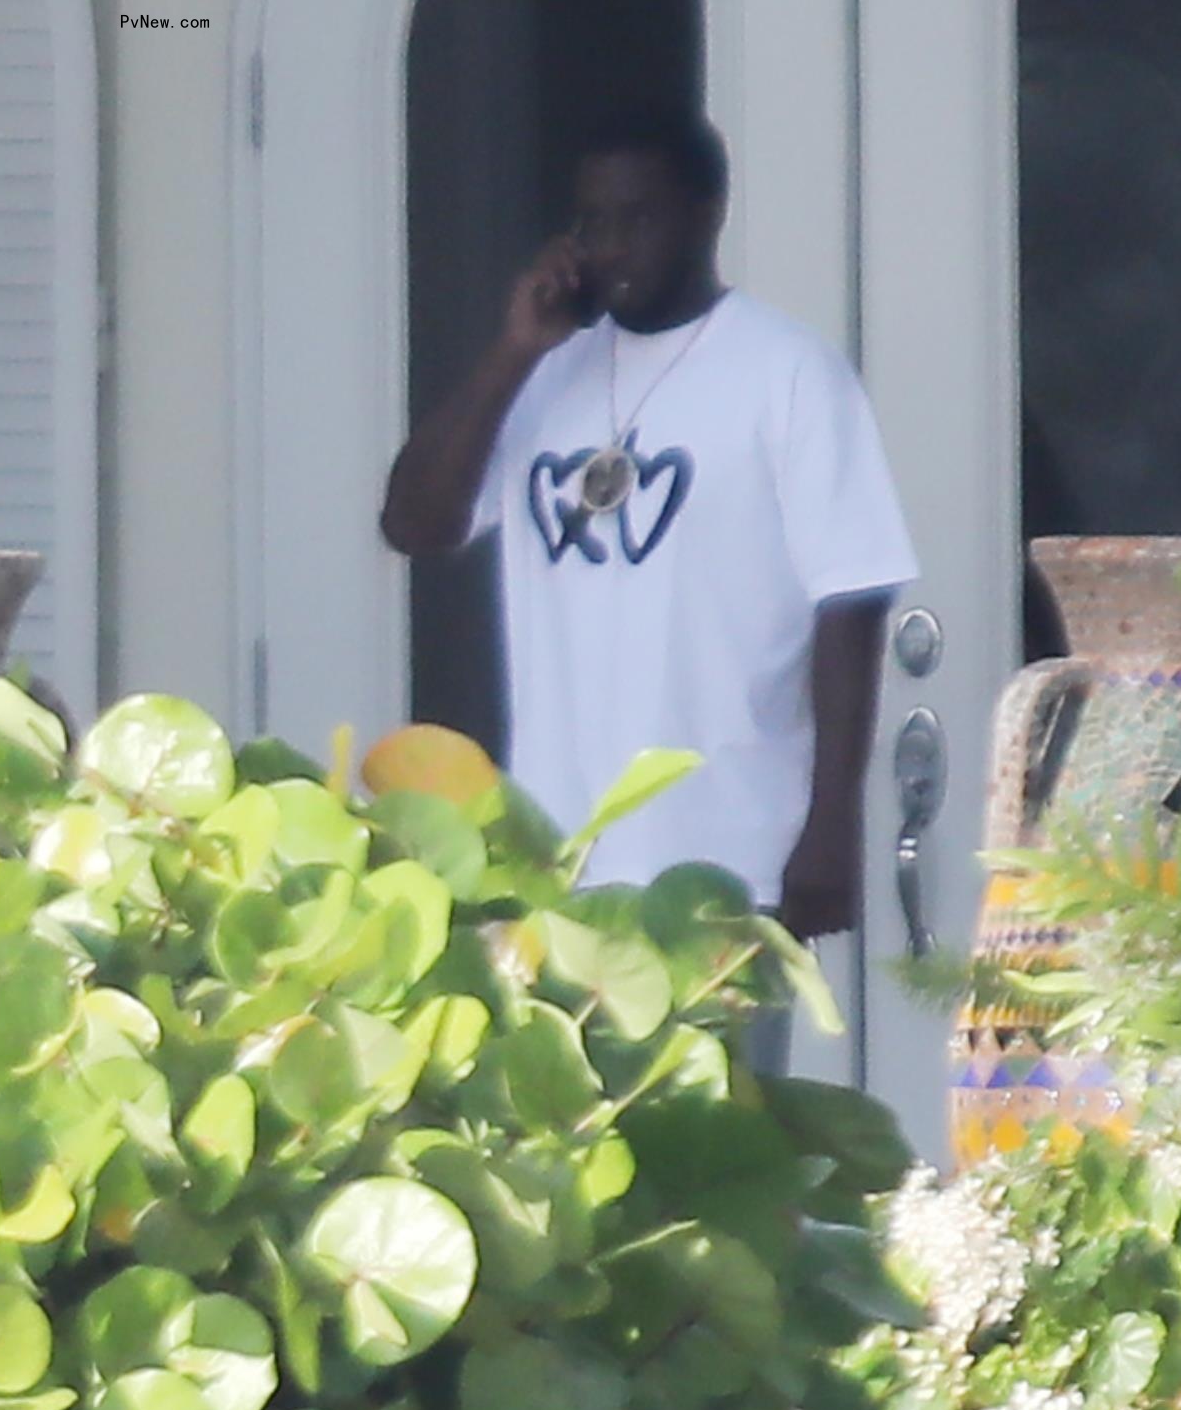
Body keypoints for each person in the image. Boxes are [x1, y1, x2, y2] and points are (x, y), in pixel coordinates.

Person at [381, 107, 918, 945]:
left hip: (728, 862)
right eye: (593, 222)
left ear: (707, 216)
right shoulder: (545, 372)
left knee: (724, 1084)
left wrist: (830, 829)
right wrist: (513, 352)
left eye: (640, 218)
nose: (612, 246)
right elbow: (416, 524)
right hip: (554, 860)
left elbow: (849, 606)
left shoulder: (788, 374)